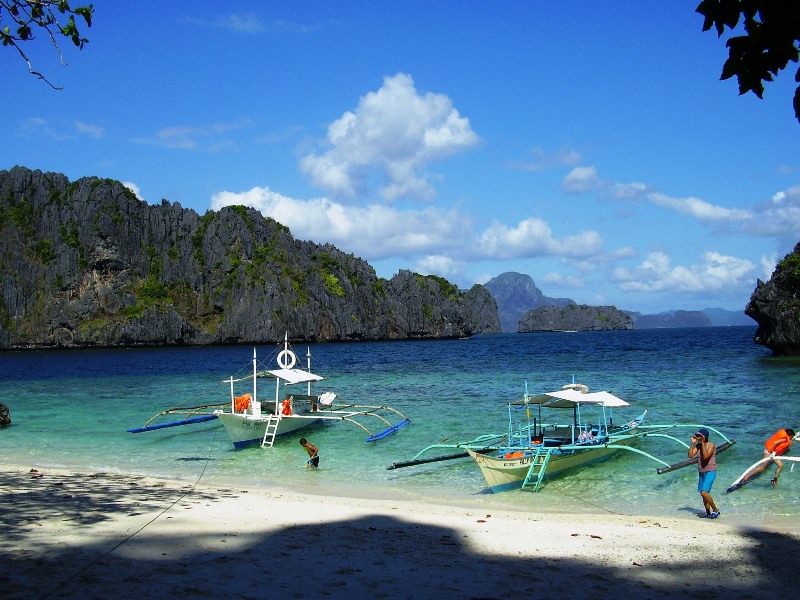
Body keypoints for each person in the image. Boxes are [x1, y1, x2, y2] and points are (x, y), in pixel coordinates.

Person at [688, 428, 720, 519]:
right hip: (701, 472)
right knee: (703, 495)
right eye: (697, 436)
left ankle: (716, 510)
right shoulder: (698, 445)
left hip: (710, 471)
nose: (698, 438)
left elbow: (705, 457)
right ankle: (708, 513)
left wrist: (702, 444)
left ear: (704, 437)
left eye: (699, 436)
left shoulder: (711, 445)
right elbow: (690, 455)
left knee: (704, 492)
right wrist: (693, 444)